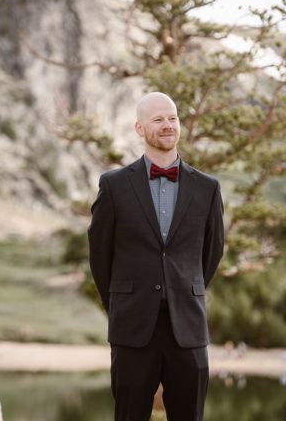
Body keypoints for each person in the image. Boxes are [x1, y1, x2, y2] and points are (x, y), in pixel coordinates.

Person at [88, 92, 224, 421]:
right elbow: (100, 254)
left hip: (188, 327)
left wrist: (185, 289)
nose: (167, 125)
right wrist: (121, 302)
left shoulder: (207, 188)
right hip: (132, 327)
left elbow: (212, 252)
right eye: (158, 119)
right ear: (140, 128)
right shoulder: (114, 185)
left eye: (173, 118)